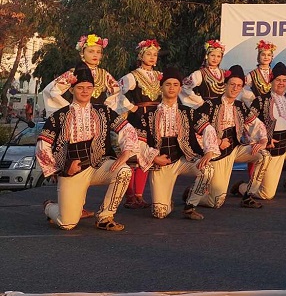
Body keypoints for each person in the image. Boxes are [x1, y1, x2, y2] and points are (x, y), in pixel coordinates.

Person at [35, 66, 140, 231]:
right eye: (80, 87)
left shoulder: (104, 111)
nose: (85, 91)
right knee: (67, 223)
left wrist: (125, 153)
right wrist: (61, 168)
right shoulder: (59, 116)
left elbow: (127, 129)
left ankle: (105, 216)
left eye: (89, 87)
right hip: (72, 171)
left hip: (99, 166)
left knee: (124, 171)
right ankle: (50, 207)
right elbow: (43, 146)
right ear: (71, 89)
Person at [134, 67, 219, 220]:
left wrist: (209, 151)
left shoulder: (188, 111)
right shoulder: (149, 115)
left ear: (180, 88)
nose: (172, 88)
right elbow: (139, 141)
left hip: (184, 159)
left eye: (175, 84)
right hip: (161, 162)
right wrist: (154, 158)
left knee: (207, 169)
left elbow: (208, 128)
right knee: (160, 213)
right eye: (168, 84)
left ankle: (190, 206)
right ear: (161, 87)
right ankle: (167, 204)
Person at [231, 62, 286, 202]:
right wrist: (263, 138)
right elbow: (249, 123)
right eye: (278, 80)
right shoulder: (261, 100)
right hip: (272, 150)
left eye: (284, 80)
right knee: (267, 194)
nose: (281, 83)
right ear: (271, 81)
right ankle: (241, 187)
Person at [192, 65, 268, 209]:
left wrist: (263, 139)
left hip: (236, 149)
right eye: (232, 84)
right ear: (225, 85)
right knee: (216, 202)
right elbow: (195, 130)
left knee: (263, 154)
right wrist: (217, 141)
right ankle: (193, 195)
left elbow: (255, 123)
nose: (235, 88)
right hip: (218, 153)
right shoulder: (210, 105)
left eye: (239, 86)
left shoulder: (240, 106)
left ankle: (248, 195)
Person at [117, 38, 164, 209]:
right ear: (140, 55)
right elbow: (115, 91)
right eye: (148, 54)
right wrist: (131, 107)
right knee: (134, 156)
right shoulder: (133, 76)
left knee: (148, 156)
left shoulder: (159, 76)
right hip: (138, 117)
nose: (152, 57)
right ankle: (129, 196)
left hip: (155, 118)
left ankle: (139, 195)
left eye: (154, 55)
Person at [42, 33, 121, 113]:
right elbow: (51, 91)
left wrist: (108, 110)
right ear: (82, 53)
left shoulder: (104, 74)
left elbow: (117, 92)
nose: (95, 55)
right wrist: (67, 110)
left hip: (98, 115)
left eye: (98, 52)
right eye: (91, 51)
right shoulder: (74, 73)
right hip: (76, 115)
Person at [181, 40, 227, 109]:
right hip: (207, 109)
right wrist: (199, 102)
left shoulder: (224, 73)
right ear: (207, 56)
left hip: (222, 108)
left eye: (218, 56)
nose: (215, 59)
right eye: (212, 55)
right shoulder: (200, 73)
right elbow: (184, 87)